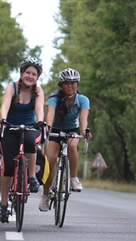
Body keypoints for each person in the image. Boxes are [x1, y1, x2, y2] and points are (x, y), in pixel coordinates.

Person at [0, 58, 45, 223]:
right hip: (10, 128)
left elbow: (39, 108)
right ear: (22, 73)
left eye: (34, 74)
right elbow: (5, 104)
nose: (30, 76)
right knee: (9, 166)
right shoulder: (12, 87)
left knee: (32, 141)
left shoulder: (38, 90)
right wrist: (3, 119)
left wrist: (40, 121)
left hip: (30, 127)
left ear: (37, 77)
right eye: (27, 72)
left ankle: (31, 177)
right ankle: (4, 204)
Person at [39, 68, 92, 212]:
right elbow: (50, 114)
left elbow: (83, 118)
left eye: (73, 83)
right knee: (51, 161)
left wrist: (84, 131)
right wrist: (47, 128)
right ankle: (45, 196)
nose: (70, 86)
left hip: (72, 131)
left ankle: (74, 179)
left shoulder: (83, 99)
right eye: (67, 83)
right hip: (55, 130)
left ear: (77, 84)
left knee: (72, 147)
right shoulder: (54, 98)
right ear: (61, 85)